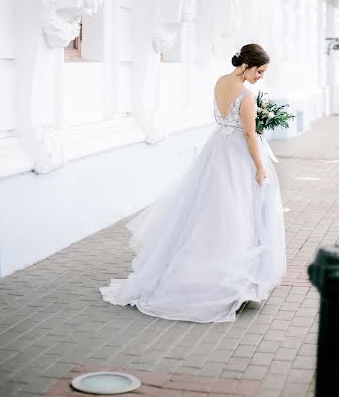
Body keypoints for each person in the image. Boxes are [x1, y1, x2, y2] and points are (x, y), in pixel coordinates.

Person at [100, 43, 286, 323]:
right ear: (247, 65)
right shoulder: (246, 96)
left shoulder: (221, 82)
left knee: (207, 211)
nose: (261, 77)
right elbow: (248, 134)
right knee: (234, 214)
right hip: (236, 157)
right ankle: (227, 281)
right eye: (259, 71)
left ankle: (200, 269)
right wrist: (260, 167)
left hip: (216, 151)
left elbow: (228, 120)